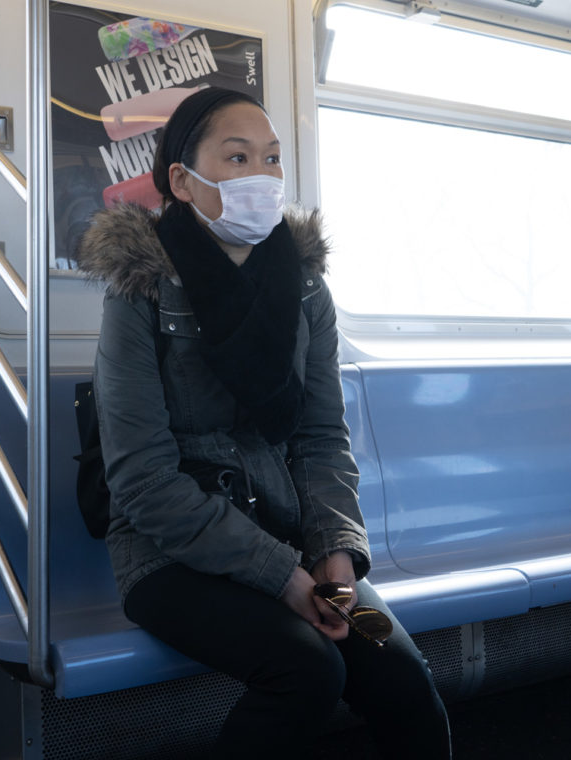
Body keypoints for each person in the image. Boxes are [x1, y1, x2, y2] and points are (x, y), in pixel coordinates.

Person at [77, 87, 451, 759]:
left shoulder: (305, 287)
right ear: (182, 182)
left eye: (272, 158)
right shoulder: (139, 292)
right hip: (170, 558)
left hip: (293, 540)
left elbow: (320, 438)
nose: (262, 175)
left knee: (401, 679)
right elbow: (140, 479)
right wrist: (283, 577)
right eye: (239, 156)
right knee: (307, 669)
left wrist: (334, 554)